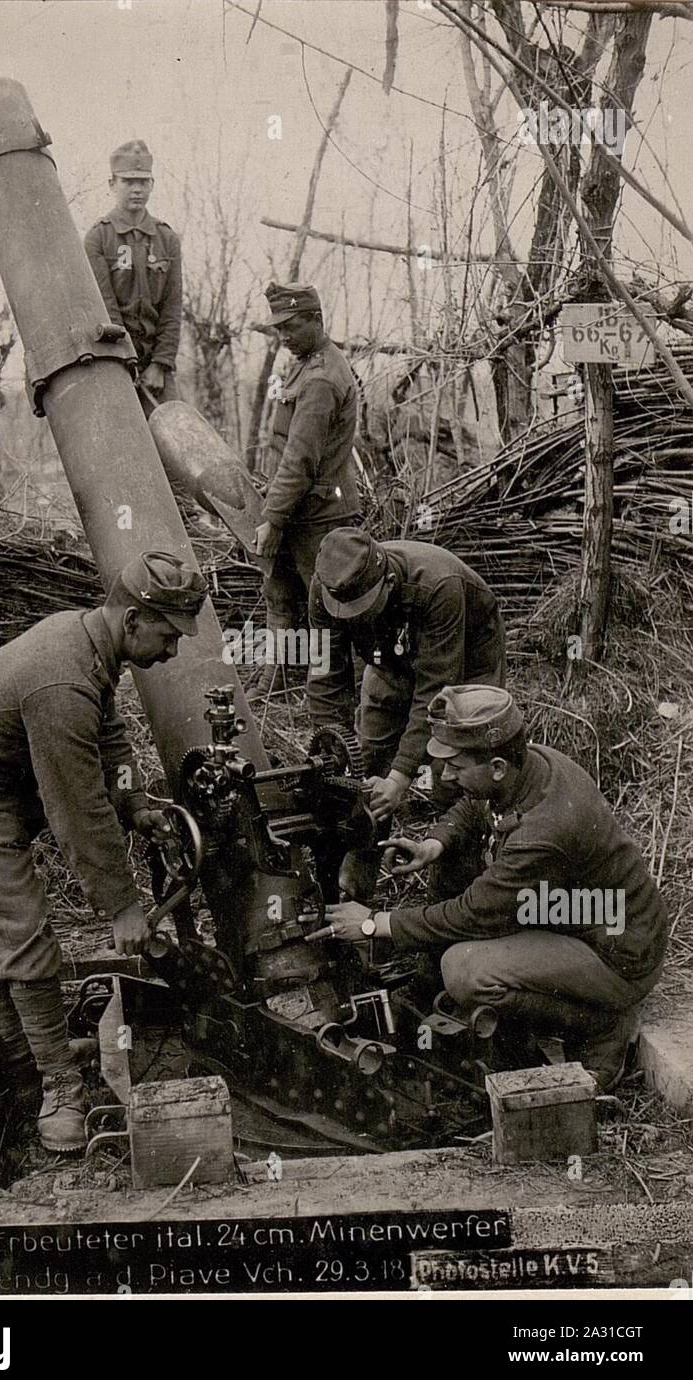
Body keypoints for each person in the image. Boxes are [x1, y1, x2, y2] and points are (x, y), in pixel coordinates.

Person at [0, 552, 207, 1152]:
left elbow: (110, 738)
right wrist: (121, 906)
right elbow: (77, 809)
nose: (172, 651)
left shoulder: (91, 643)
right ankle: (58, 1087)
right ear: (133, 618)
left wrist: (137, 801)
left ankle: (25, 1056)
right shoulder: (61, 681)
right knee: (19, 925)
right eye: (168, 635)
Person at [311, 685, 667, 1091]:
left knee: (464, 969)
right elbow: (474, 806)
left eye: (456, 767)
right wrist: (434, 844)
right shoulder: (532, 767)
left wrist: (375, 924)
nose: (445, 776)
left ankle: (602, 1023)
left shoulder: (544, 833)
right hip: (579, 917)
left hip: (618, 955)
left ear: (496, 766)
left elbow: (473, 913)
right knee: (453, 863)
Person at [307, 527, 506, 897]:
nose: (356, 620)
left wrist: (400, 779)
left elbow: (435, 694)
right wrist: (332, 758)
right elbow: (325, 676)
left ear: (387, 581)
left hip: (466, 656)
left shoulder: (437, 585)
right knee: (367, 768)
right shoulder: (325, 587)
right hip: (388, 661)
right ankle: (356, 883)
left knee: (455, 771)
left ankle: (456, 889)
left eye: (364, 610)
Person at [250, 282, 360, 693]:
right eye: (278, 328)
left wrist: (273, 518)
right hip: (298, 504)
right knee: (279, 591)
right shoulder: (303, 361)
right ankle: (275, 678)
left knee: (326, 609)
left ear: (316, 319)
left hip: (319, 513)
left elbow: (300, 459)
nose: (283, 337)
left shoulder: (321, 379)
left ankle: (327, 691)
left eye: (291, 326)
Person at [84, 140, 182, 413]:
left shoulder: (166, 238)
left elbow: (172, 309)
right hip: (115, 360)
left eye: (143, 181)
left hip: (157, 368)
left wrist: (160, 365)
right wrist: (126, 360)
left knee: (175, 436)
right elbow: (104, 307)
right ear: (112, 184)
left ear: (152, 184)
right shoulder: (98, 238)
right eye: (128, 181)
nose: (137, 189)